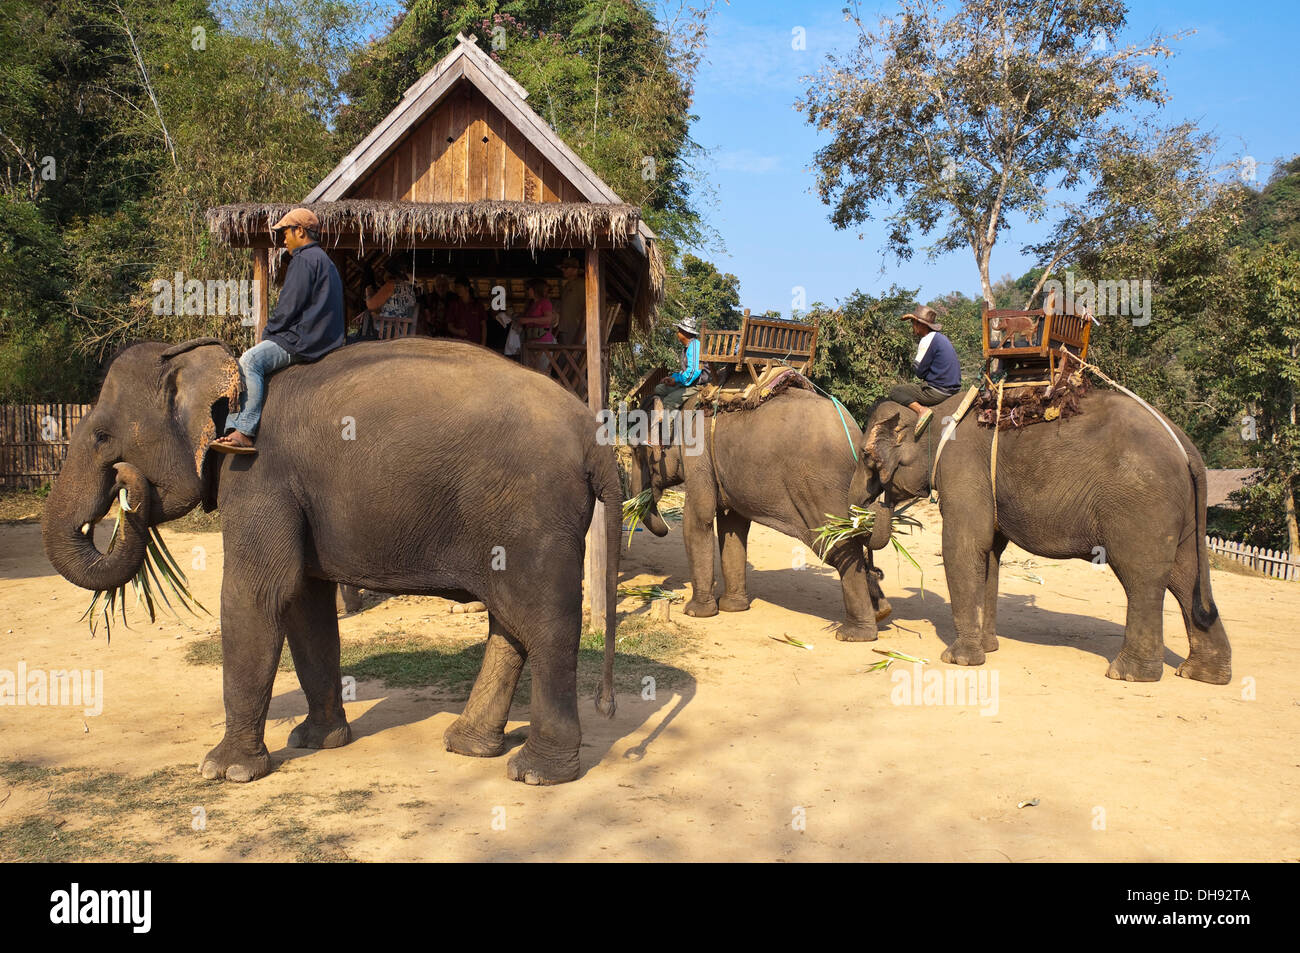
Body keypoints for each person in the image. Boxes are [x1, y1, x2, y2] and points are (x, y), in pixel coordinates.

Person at [212, 208, 344, 455]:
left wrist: (269, 332)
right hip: (325, 340)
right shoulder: (326, 261)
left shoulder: (303, 260)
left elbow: (288, 307)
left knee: (250, 360)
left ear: (300, 232)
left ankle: (244, 431)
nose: (284, 240)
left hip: (303, 341)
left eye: (286, 232)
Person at [889, 304, 961, 438]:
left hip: (938, 391)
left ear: (921, 324)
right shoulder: (941, 338)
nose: (912, 326)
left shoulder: (927, 339)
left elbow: (919, 372)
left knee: (896, 391)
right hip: (953, 389)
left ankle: (921, 410)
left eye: (913, 323)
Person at [653, 317, 704, 412]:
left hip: (696, 384)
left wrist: (676, 380)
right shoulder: (687, 347)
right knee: (659, 389)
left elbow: (693, 372)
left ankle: (669, 425)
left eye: (679, 330)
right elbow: (685, 371)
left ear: (686, 333)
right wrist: (673, 377)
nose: (677, 333)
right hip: (689, 382)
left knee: (669, 401)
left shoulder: (695, 346)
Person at [363, 257, 420, 336]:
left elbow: (371, 306)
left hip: (388, 332)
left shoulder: (390, 285)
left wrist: (368, 290)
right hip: (403, 332)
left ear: (388, 273)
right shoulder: (409, 289)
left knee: (360, 327)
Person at [519, 277, 556, 371]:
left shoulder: (545, 303)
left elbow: (548, 319)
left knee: (542, 374)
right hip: (531, 341)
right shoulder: (532, 304)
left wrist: (528, 320)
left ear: (534, 289)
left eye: (528, 288)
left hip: (542, 343)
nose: (527, 291)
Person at [445, 275, 487, 345]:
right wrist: (458, 332)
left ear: (467, 288)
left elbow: (484, 326)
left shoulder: (478, 305)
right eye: (456, 287)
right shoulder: (453, 305)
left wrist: (483, 344)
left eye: (459, 287)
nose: (457, 289)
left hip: (476, 344)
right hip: (459, 344)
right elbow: (449, 326)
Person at [556, 255, 584, 344]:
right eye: (563, 268)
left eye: (566, 268)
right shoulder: (567, 286)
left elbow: (587, 308)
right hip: (564, 328)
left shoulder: (582, 285)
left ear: (575, 270)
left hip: (576, 328)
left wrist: (582, 330)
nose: (563, 270)